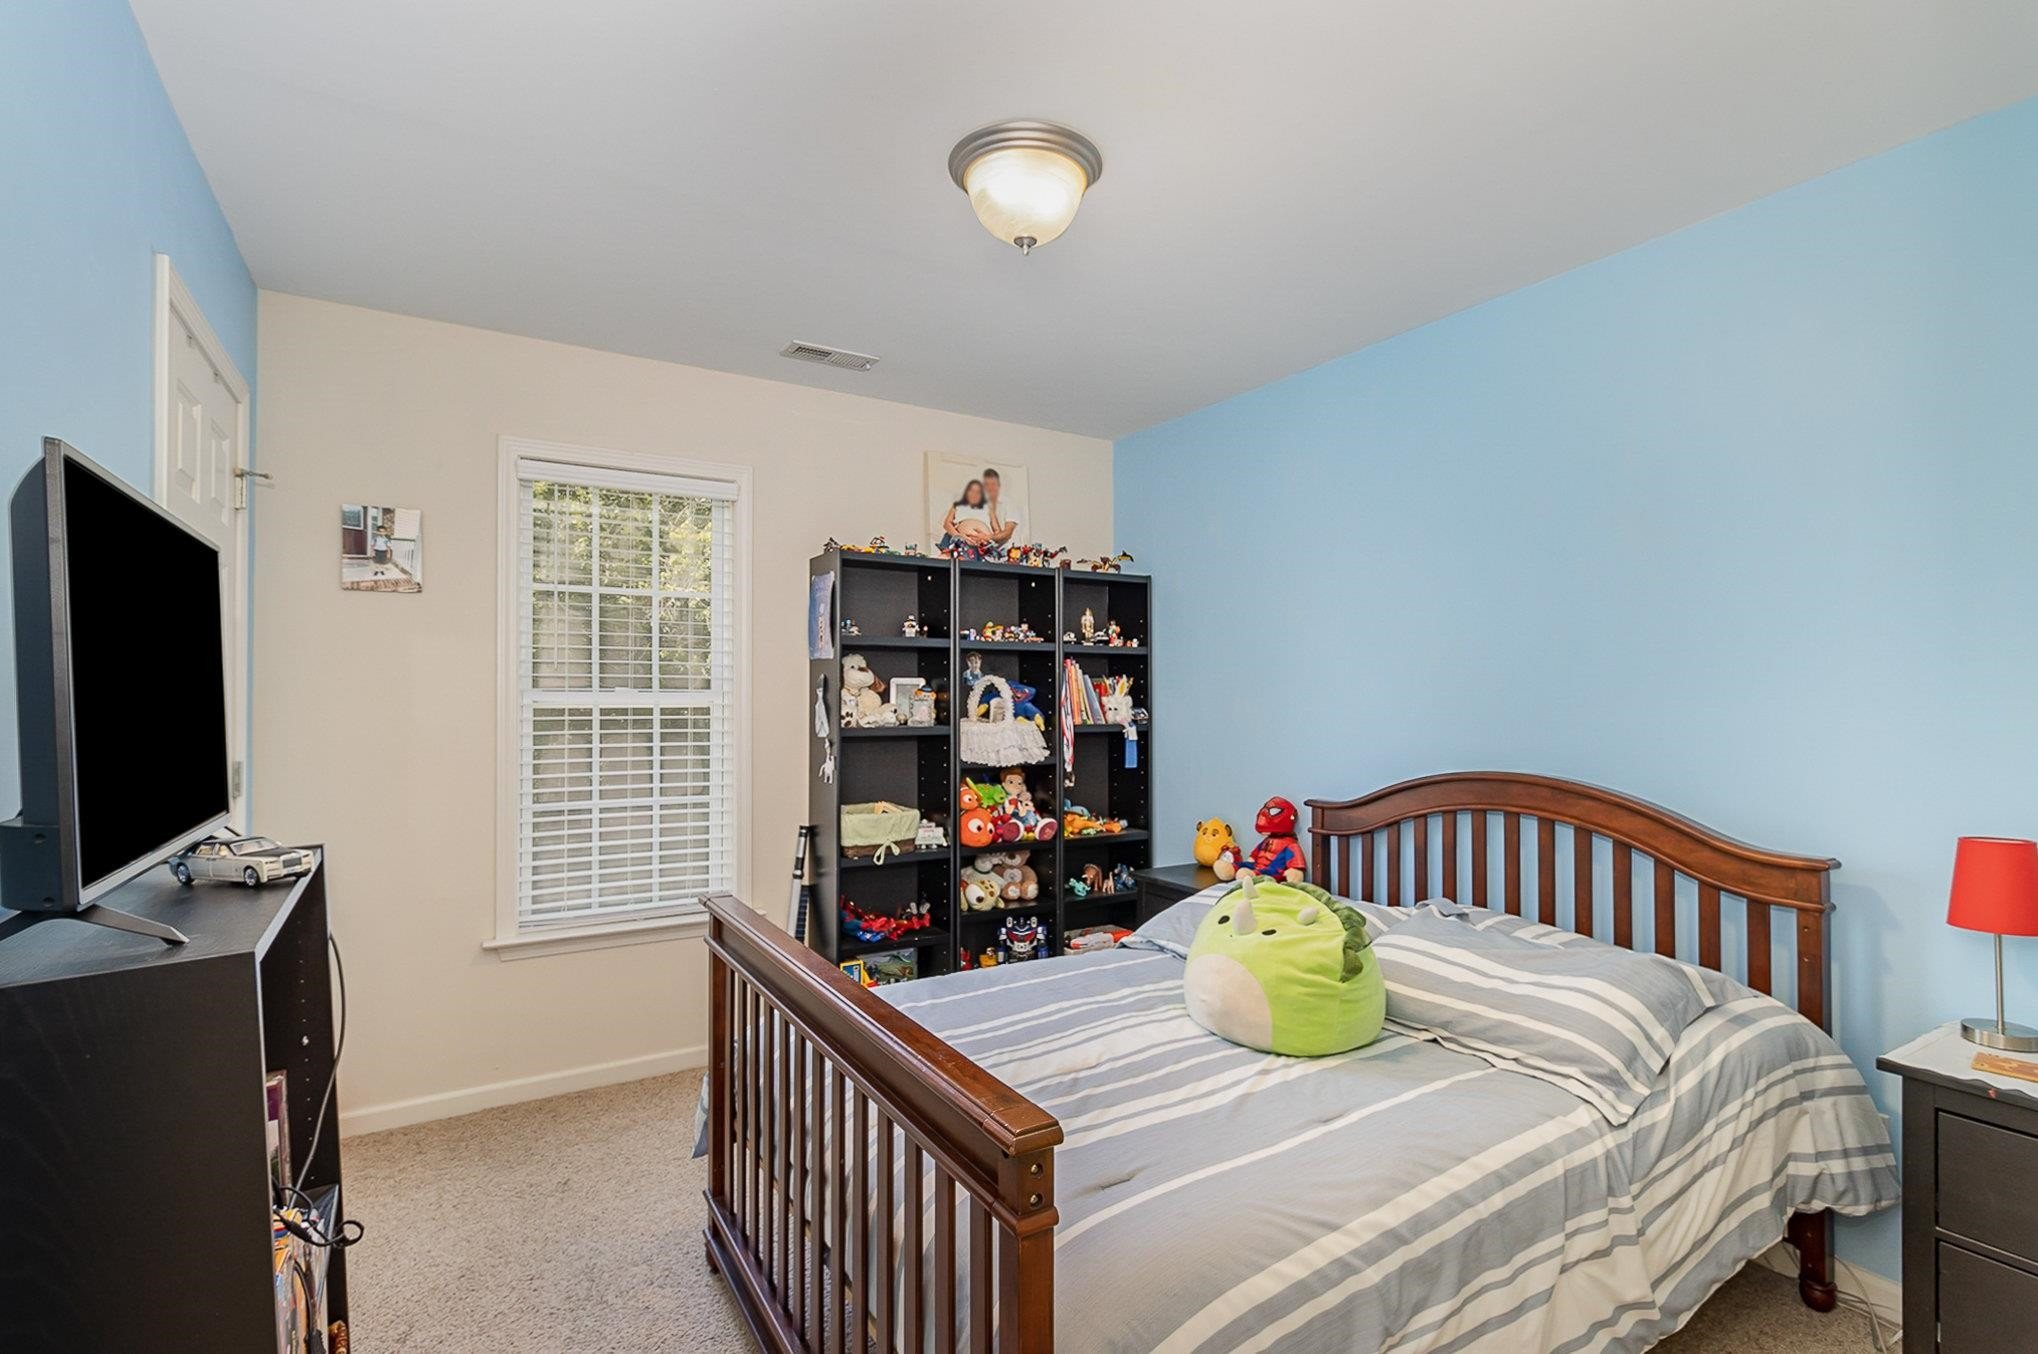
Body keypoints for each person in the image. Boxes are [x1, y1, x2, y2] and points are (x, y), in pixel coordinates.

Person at [938, 479, 997, 554]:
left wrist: (986, 537)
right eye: (971, 490)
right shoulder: (957, 505)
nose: (974, 494)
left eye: (978, 492)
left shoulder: (989, 508)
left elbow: (997, 532)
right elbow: (947, 524)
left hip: (982, 547)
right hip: (960, 543)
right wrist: (959, 536)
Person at [983, 468, 1019, 545]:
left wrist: (987, 537)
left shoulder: (1010, 503)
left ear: (998, 485)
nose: (990, 488)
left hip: (1011, 550)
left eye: (993, 484)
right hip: (993, 550)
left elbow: (1008, 533)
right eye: (987, 484)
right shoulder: (984, 504)